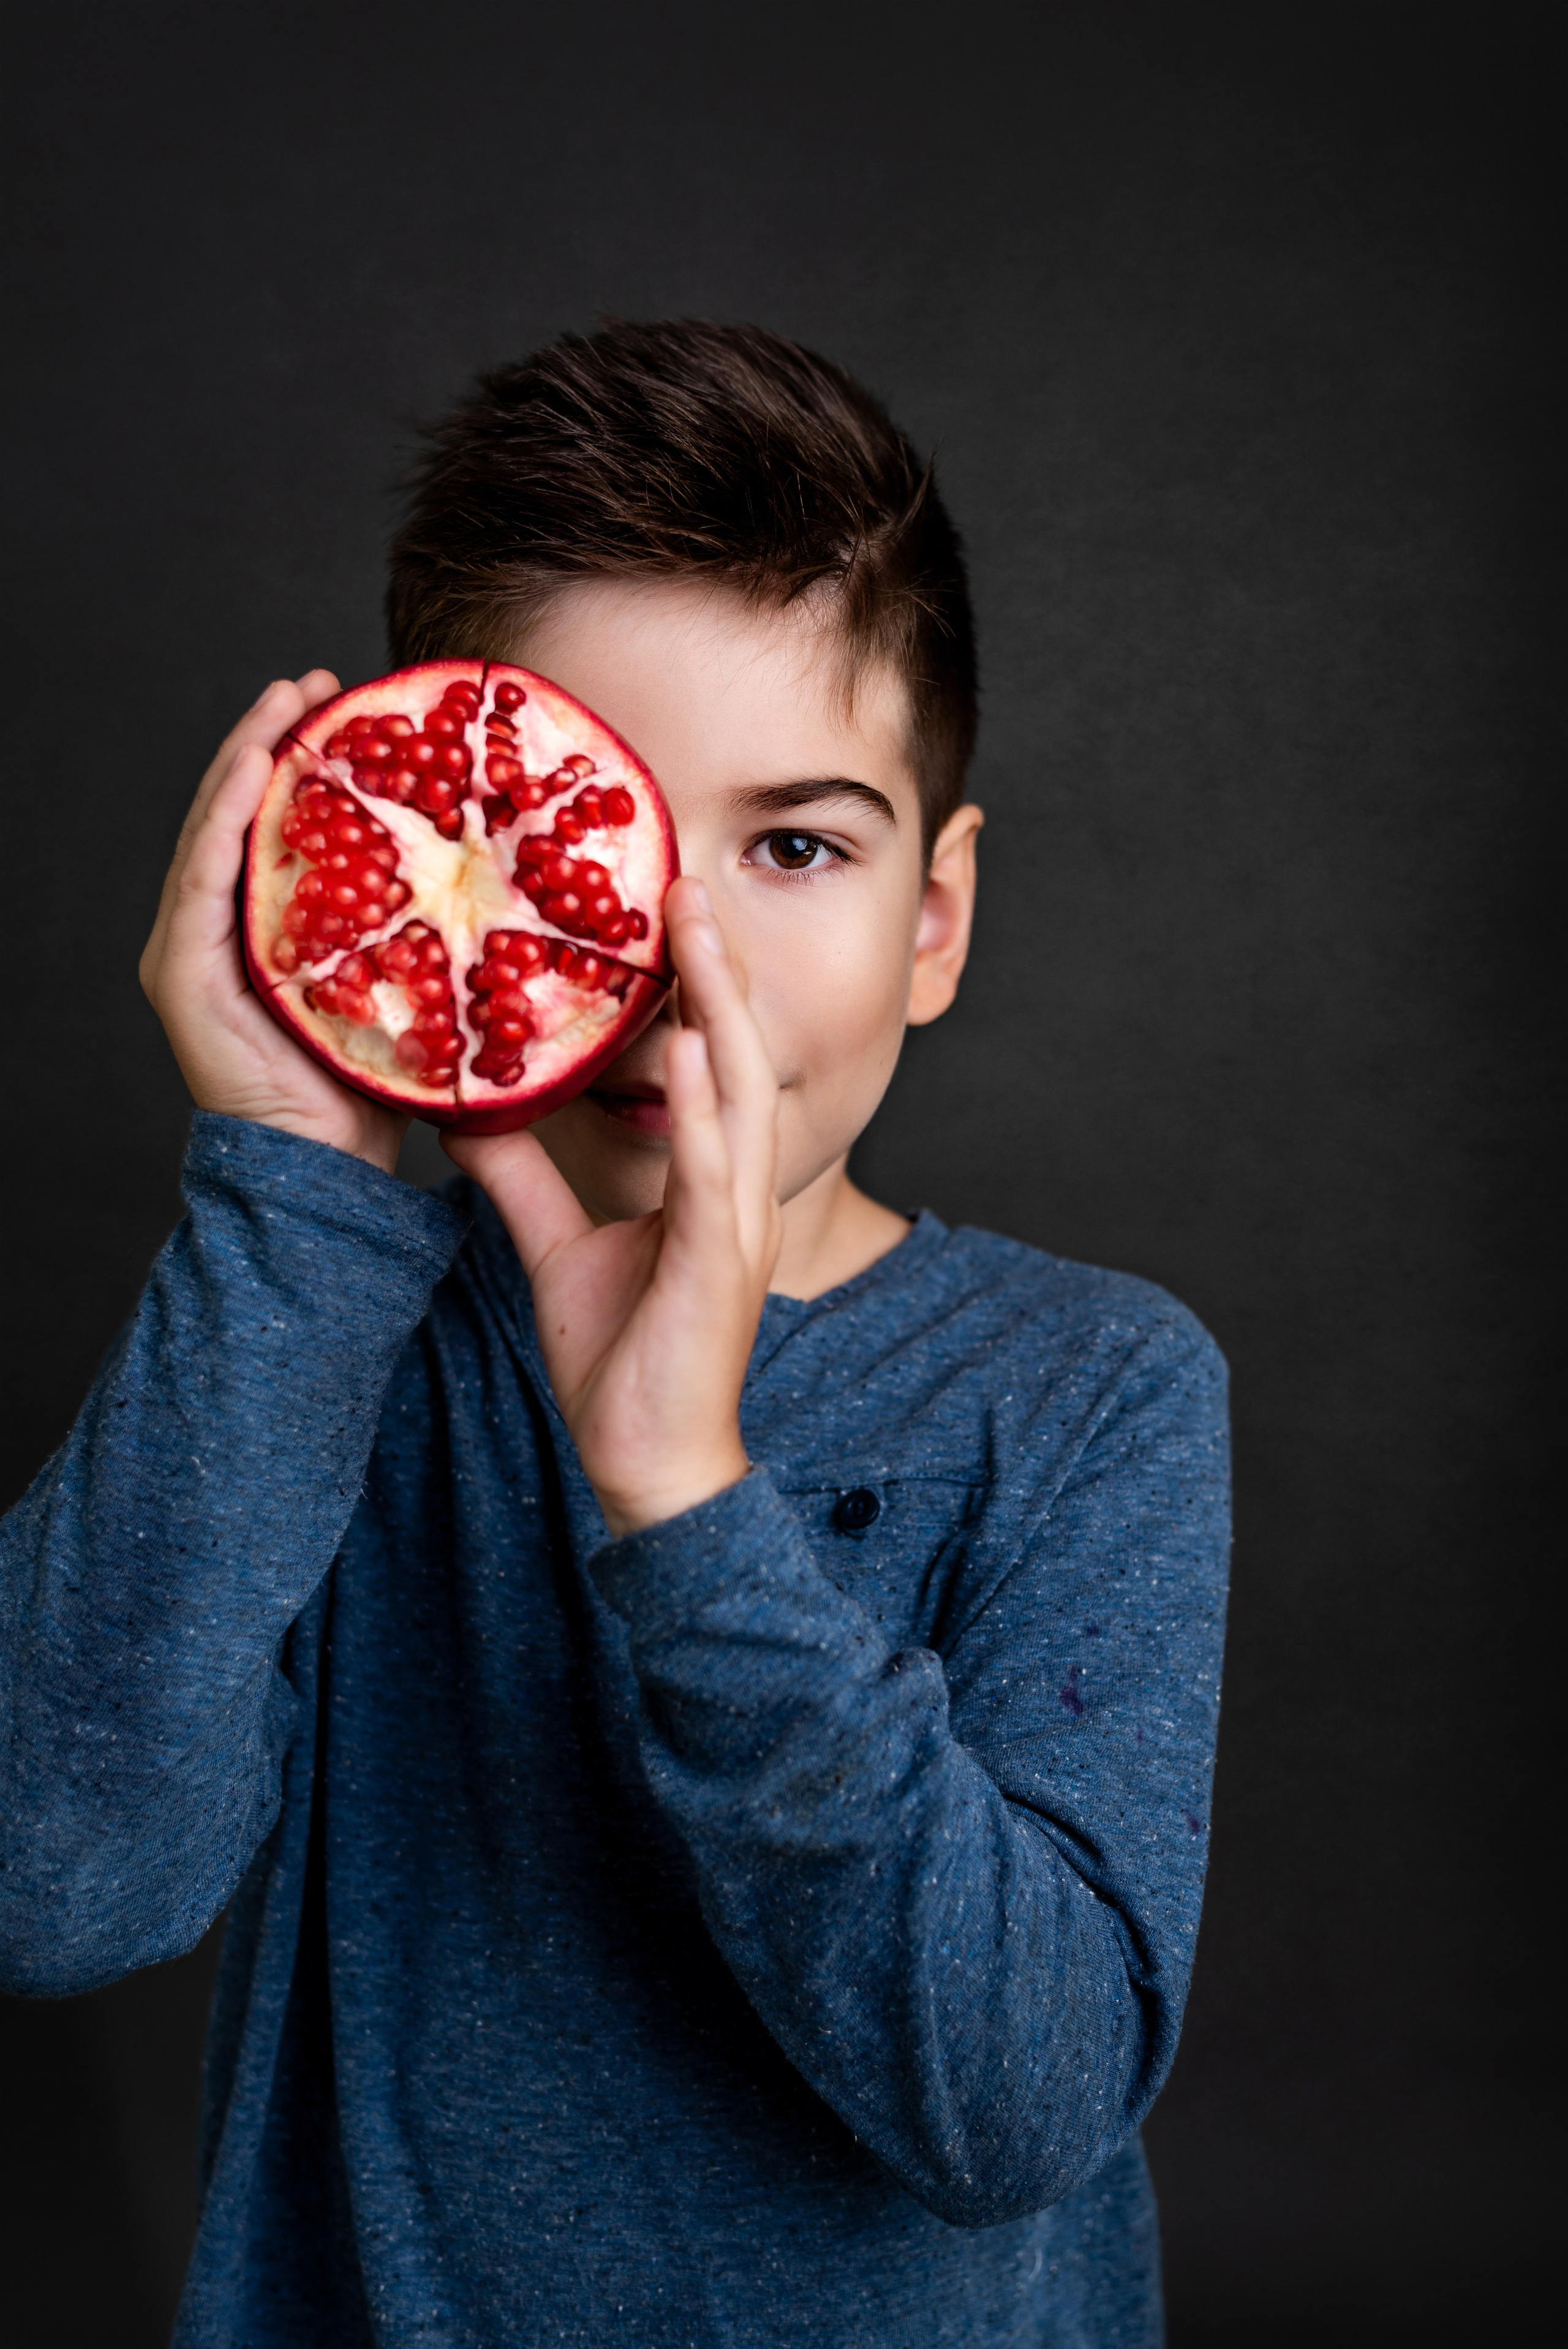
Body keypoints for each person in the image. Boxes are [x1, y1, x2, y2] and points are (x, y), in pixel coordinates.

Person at [0, 320, 1229, 2348]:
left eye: (795, 847)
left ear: (934, 919)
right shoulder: (324, 1341)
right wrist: (284, 1187)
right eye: (570, 839)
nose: (674, 961)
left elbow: (1019, 2101)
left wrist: (686, 1495)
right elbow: (52, 1880)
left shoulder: (1094, 1387)